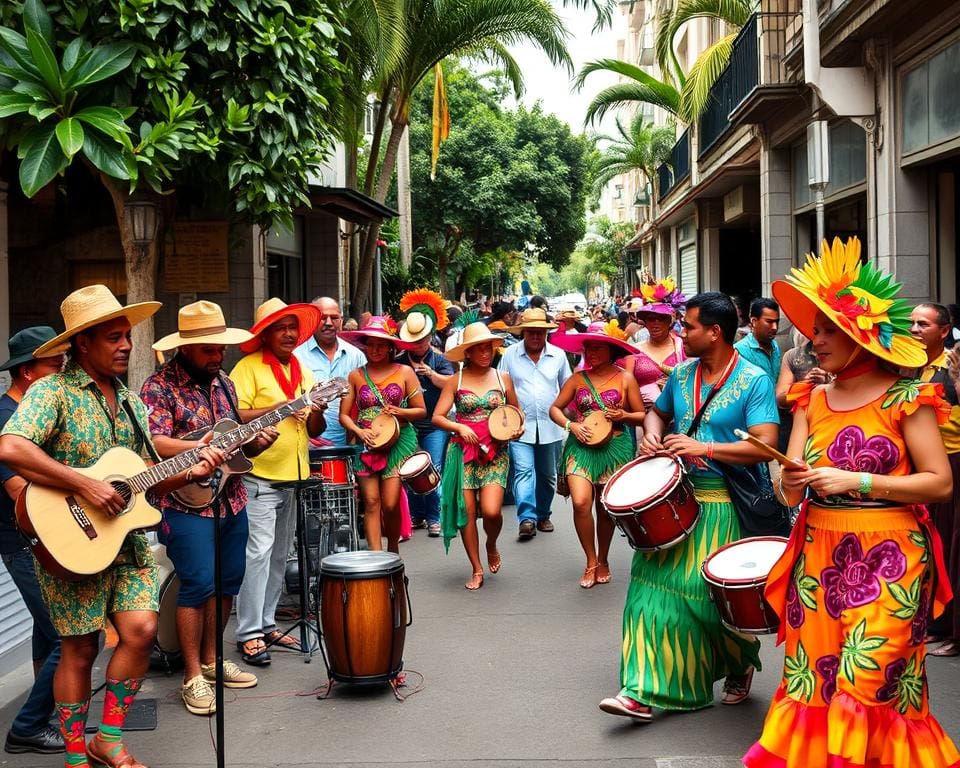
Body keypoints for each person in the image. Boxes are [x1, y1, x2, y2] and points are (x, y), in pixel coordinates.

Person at [744, 238, 960, 767]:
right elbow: (788, 485)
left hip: (894, 560)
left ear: (863, 335)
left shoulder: (908, 398)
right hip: (817, 558)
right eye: (814, 328)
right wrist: (791, 481)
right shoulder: (810, 399)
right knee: (817, 680)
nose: (813, 339)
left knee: (867, 680)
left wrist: (857, 481)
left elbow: (940, 483)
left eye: (825, 329)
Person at [0, 284, 225, 768]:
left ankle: (109, 735)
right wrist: (84, 485)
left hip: (126, 540)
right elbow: (12, 448)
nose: (125, 345)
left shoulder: (130, 402)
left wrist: (192, 470)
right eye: (113, 337)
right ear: (82, 343)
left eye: (127, 335)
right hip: (71, 540)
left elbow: (144, 484)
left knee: (141, 629)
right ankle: (77, 754)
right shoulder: (51, 390)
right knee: (79, 649)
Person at [598, 292, 778, 722]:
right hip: (676, 500)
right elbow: (656, 413)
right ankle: (642, 690)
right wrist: (651, 435)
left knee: (706, 596)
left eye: (689, 326)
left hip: (722, 504)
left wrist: (706, 446)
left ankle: (738, 663)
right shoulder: (680, 375)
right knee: (648, 588)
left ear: (714, 332)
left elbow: (767, 445)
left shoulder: (754, 380)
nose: (682, 332)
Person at [141, 302, 279, 714]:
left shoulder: (224, 383)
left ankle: (212, 660)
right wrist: (198, 447)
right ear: (185, 348)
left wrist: (254, 442)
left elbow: (233, 436)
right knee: (197, 584)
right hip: (184, 502)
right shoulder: (158, 386)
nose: (218, 357)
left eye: (221, 349)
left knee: (226, 583)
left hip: (231, 496)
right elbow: (155, 441)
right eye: (208, 351)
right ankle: (191, 677)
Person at [230, 298, 325, 665]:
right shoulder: (247, 368)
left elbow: (314, 427)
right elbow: (235, 413)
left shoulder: (301, 368)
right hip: (259, 475)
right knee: (257, 554)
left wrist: (316, 408)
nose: (288, 333)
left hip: (294, 474)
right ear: (265, 334)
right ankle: (249, 632)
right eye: (279, 328)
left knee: (279, 555)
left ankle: (267, 623)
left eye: (291, 328)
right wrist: (286, 405)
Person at [0, 327, 66, 755]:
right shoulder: (7, 417)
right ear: (27, 372)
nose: (61, 374)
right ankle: (26, 726)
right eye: (53, 367)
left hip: (48, 537)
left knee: (46, 634)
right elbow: (18, 491)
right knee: (68, 634)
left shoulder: (39, 411)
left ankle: (53, 713)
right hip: (25, 540)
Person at [549, 321, 645, 588]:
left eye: (597, 348)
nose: (590, 353)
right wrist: (572, 425)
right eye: (588, 348)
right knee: (581, 502)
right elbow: (555, 408)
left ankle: (603, 559)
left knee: (604, 509)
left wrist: (623, 415)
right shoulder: (578, 379)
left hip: (615, 448)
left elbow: (641, 416)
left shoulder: (625, 379)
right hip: (580, 446)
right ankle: (590, 560)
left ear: (611, 350)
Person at [433, 322, 523, 590]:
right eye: (479, 349)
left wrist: (517, 430)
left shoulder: (502, 378)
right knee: (467, 512)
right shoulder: (455, 380)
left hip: (495, 451)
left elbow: (516, 413)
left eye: (488, 348)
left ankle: (491, 543)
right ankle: (476, 567)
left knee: (493, 511)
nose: (485, 353)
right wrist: (459, 425)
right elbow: (437, 416)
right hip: (462, 452)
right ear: (467, 353)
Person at [339, 316, 426, 553]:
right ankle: (377, 557)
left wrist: (400, 411)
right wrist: (359, 431)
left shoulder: (405, 372)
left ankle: (394, 548)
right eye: (370, 344)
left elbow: (421, 410)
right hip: (367, 441)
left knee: (390, 503)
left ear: (391, 347)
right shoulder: (356, 375)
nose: (375, 349)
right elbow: (344, 415)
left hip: (399, 441)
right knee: (371, 502)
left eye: (381, 344)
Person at [907, 303, 960, 657]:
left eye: (922, 324)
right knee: (929, 545)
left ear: (944, 331)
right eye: (911, 323)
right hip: (919, 464)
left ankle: (955, 631)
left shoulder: (952, 365)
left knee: (953, 547)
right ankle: (936, 622)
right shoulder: (909, 365)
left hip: (953, 461)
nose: (914, 329)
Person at [500, 308, 571, 540]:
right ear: (523, 332)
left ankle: (543, 514)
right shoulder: (510, 355)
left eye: (540, 332)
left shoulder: (558, 356)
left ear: (546, 333)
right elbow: (499, 388)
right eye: (531, 332)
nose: (536, 337)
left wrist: (572, 417)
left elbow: (568, 387)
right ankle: (527, 518)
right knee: (522, 471)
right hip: (519, 426)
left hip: (551, 426)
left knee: (547, 474)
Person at [395, 290, 454, 537]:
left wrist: (431, 374)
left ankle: (433, 517)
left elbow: (452, 385)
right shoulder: (398, 361)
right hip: (407, 425)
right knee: (408, 470)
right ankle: (417, 515)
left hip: (435, 424)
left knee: (433, 468)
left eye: (422, 339)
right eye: (414, 340)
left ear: (430, 337)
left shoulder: (440, 360)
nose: (419, 344)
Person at [294, 297, 366, 446]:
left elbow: (364, 398)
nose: (328, 323)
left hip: (347, 446)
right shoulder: (296, 356)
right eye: (322, 318)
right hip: (305, 445)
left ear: (341, 320)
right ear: (312, 320)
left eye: (334, 318)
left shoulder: (356, 356)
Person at [626, 278, 687, 409]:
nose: (656, 324)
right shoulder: (633, 350)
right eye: (651, 319)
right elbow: (624, 385)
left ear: (669, 321)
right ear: (644, 322)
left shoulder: (683, 347)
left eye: (661, 319)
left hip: (678, 417)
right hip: (642, 420)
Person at [775, 328, 830, 454]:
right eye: (815, 331)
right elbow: (780, 398)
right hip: (797, 431)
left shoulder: (845, 356)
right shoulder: (793, 356)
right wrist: (805, 384)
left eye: (829, 331)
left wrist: (829, 382)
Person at [734, 297, 782, 382]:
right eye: (769, 322)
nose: (775, 327)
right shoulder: (739, 351)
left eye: (777, 321)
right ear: (754, 321)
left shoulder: (775, 346)